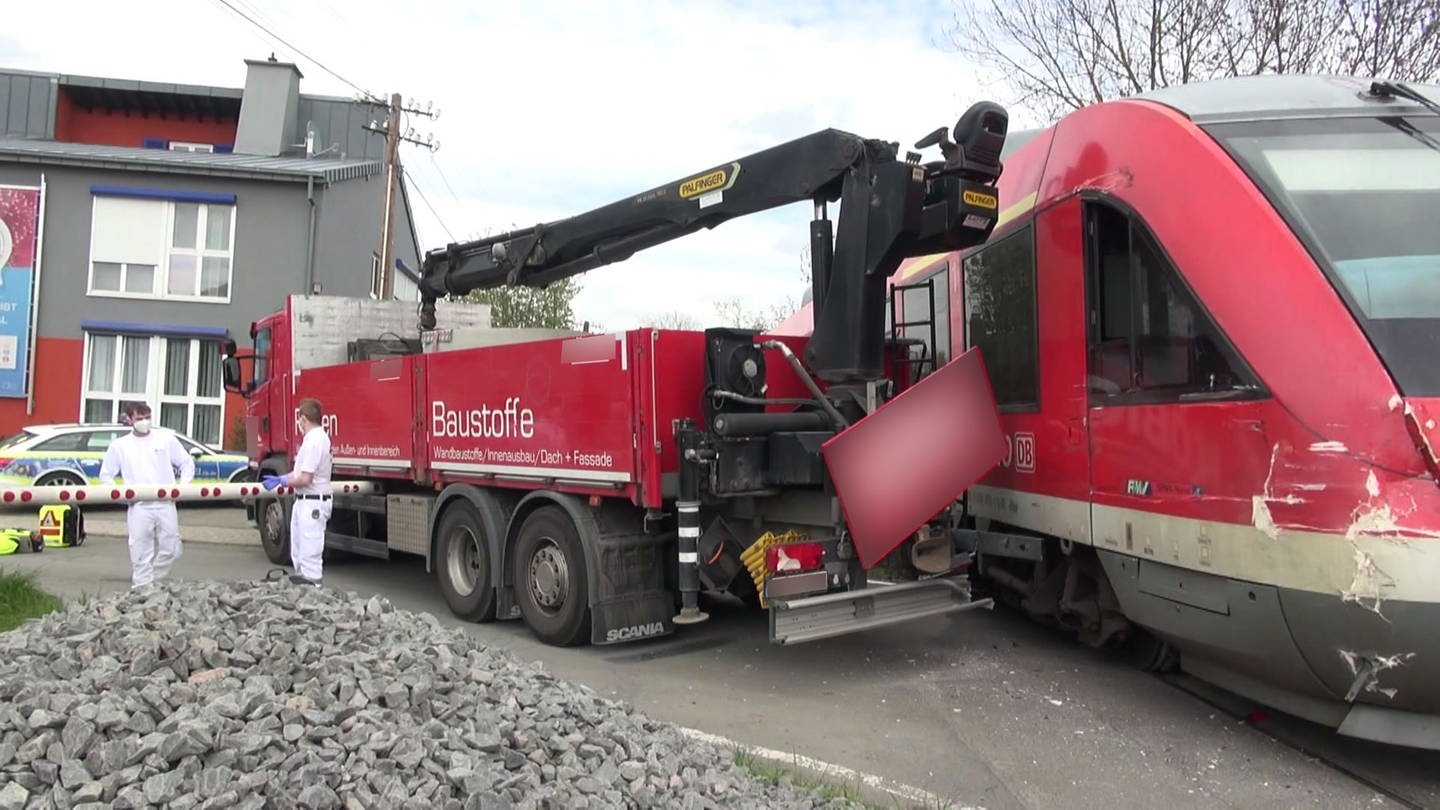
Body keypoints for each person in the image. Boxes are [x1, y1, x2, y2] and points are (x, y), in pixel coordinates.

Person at [98, 402, 194, 589]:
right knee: (140, 550)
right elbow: (106, 476)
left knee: (172, 548)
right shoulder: (120, 446)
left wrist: (182, 487)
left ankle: (154, 581)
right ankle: (142, 590)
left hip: (165, 503)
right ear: (129, 420)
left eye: (147, 417)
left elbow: (186, 463)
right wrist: (124, 498)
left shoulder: (165, 439)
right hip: (139, 506)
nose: (144, 422)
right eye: (139, 418)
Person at [262, 397, 333, 586]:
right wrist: (283, 478)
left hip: (312, 502)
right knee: (300, 552)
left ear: (303, 418)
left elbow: (305, 478)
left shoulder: (314, 441)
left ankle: (313, 593)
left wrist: (283, 482)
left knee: (309, 555)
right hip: (306, 501)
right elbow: (300, 472)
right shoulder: (314, 439)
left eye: (299, 420)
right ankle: (305, 592)